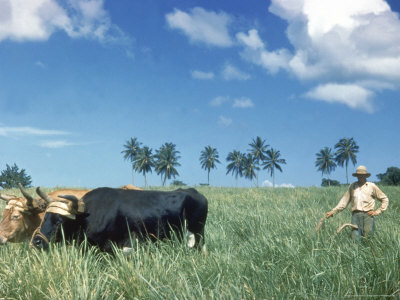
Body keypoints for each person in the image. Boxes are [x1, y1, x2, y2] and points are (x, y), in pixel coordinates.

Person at [325, 165, 389, 241]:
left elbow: (385, 199)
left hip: (368, 216)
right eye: (358, 175)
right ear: (356, 176)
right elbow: (344, 201)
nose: (360, 176)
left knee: (368, 239)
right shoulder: (352, 186)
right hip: (355, 216)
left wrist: (377, 212)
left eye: (362, 175)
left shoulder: (372, 186)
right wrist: (333, 211)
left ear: (365, 176)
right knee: (355, 239)